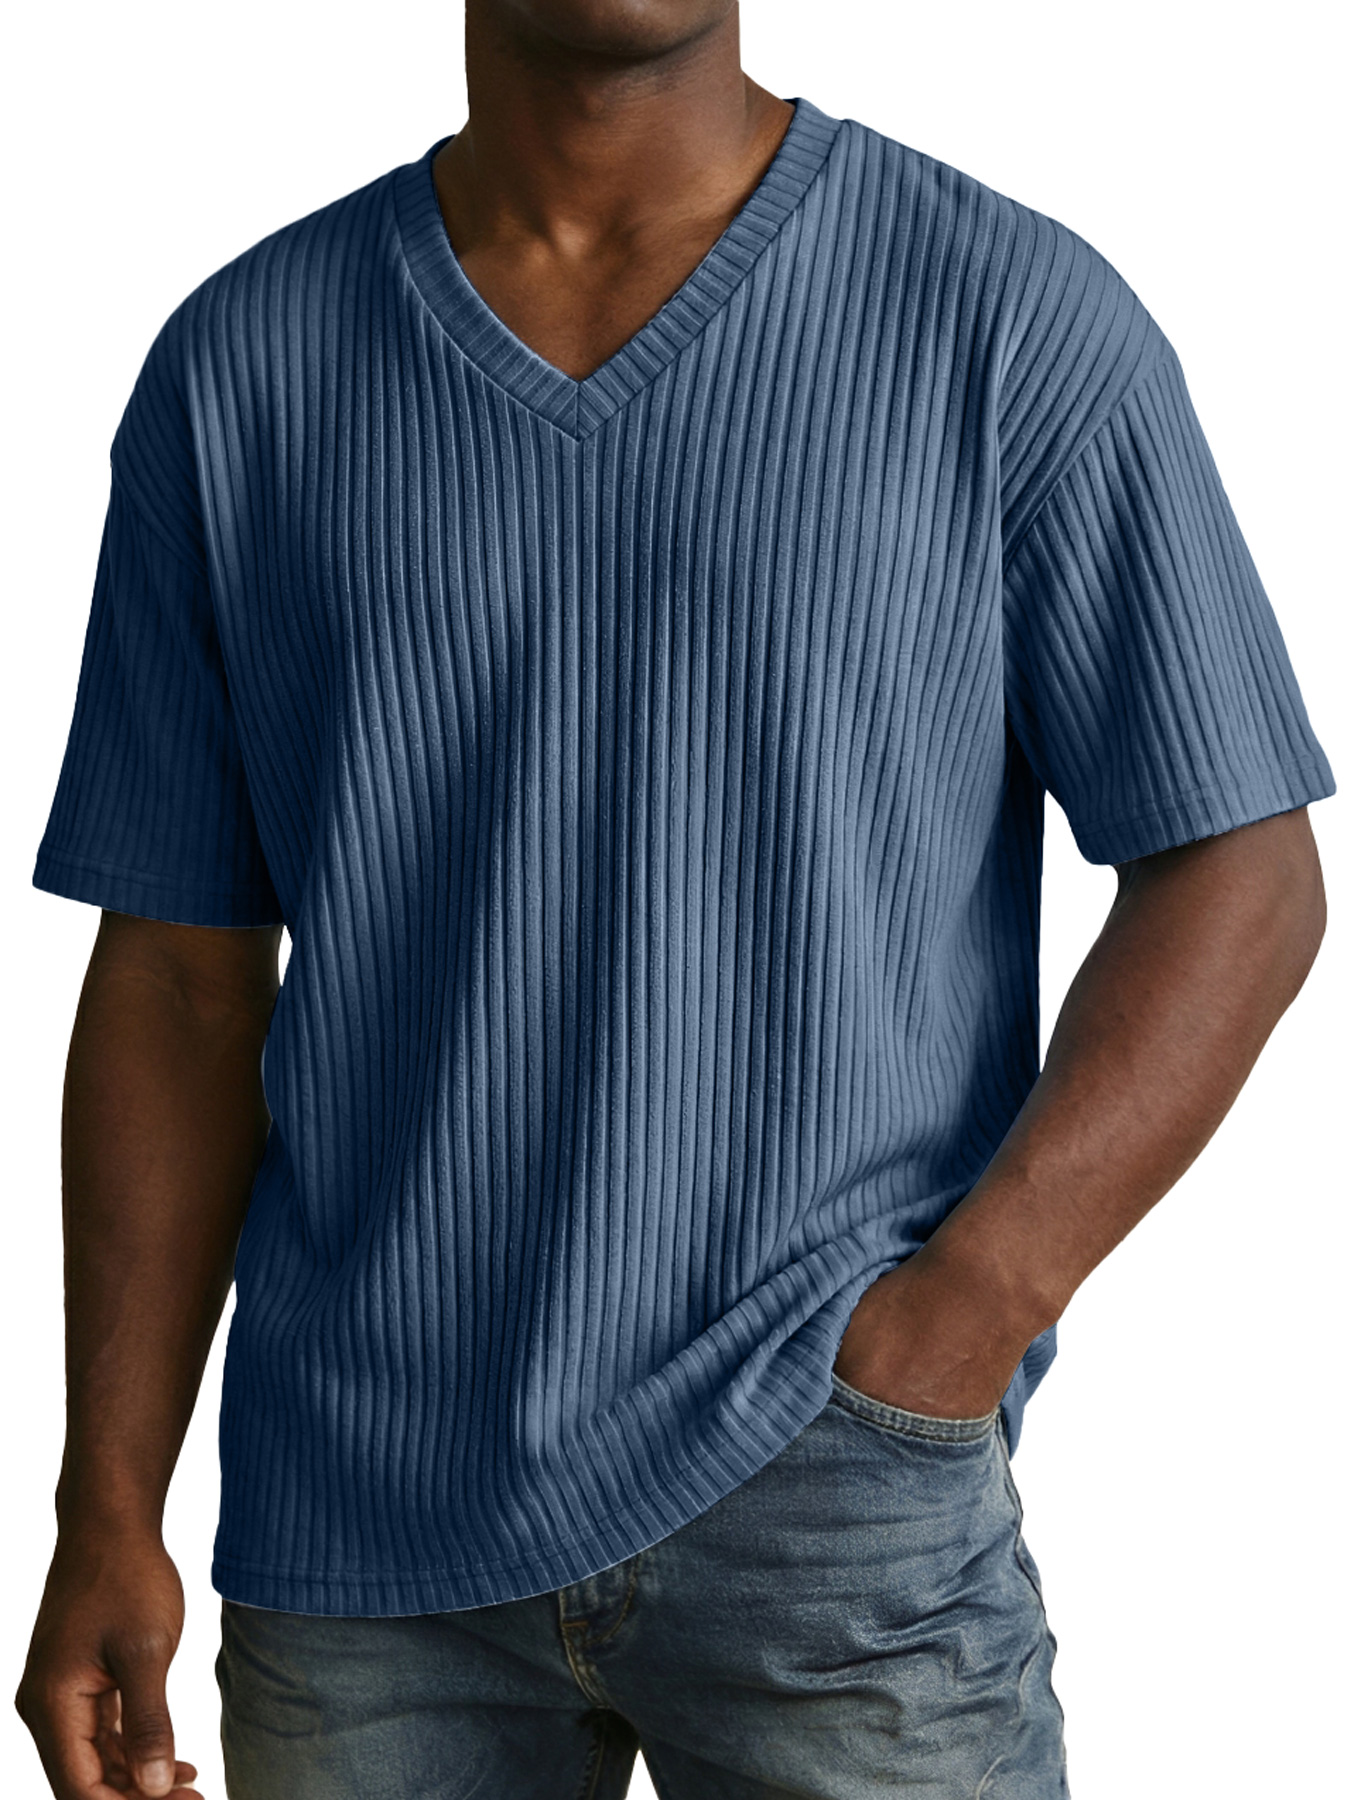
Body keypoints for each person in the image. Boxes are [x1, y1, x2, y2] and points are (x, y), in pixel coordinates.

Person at [14, 0, 1335, 1794]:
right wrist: (107, 1506)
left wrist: (959, 1323)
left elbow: (1242, 872)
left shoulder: (1005, 314)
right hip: (360, 1540)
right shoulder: (244, 363)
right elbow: (176, 980)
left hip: (833, 1498)